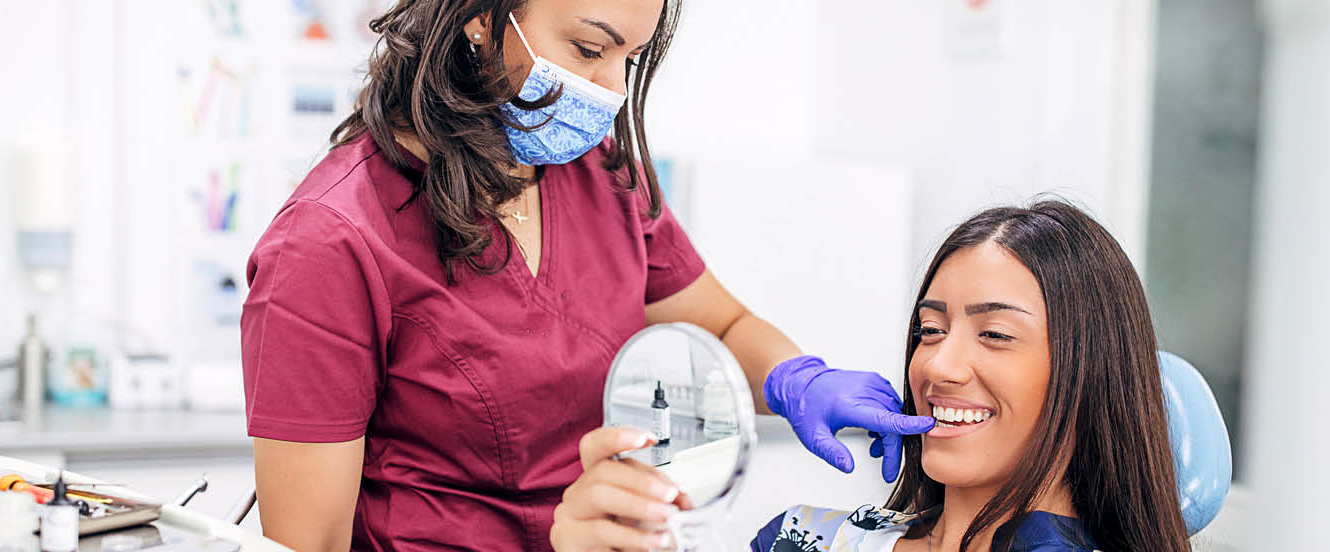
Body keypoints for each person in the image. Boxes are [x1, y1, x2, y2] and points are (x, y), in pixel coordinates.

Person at [239, 1, 930, 550]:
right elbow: (307, 545)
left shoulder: (602, 178)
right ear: (479, 17)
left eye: (631, 57)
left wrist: (795, 379)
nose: (611, 91)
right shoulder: (331, 242)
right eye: (589, 51)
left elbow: (720, 325)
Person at [557, 201, 1192, 551]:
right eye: (930, 330)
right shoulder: (803, 538)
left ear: (1091, 381)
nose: (937, 366)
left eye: (995, 335)